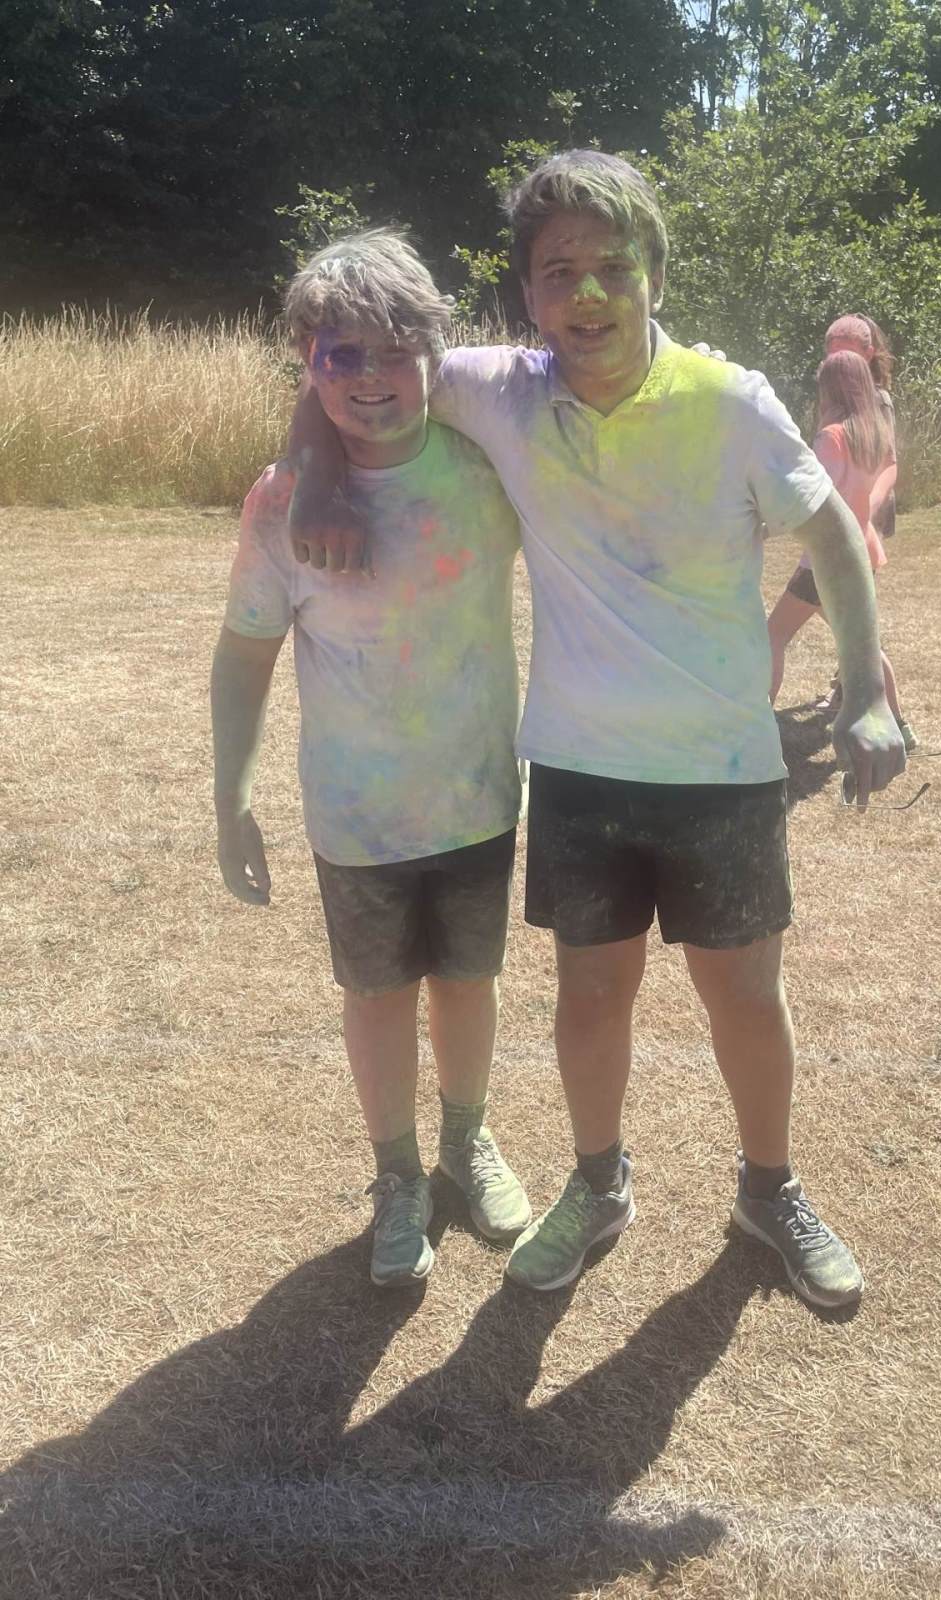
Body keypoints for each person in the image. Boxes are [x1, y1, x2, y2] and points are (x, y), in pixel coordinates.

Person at [288, 151, 907, 1309]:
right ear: (527, 293)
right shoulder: (504, 390)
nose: (586, 293)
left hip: (723, 767)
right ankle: (598, 1182)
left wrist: (866, 687)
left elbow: (831, 537)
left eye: (613, 267)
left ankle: (768, 1190)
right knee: (589, 1001)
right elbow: (356, 354)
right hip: (579, 772)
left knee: (745, 999)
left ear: (655, 277)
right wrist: (311, 466)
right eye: (558, 269)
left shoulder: (731, 402)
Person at [210, 230, 532, 1289]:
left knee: (470, 983)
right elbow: (245, 652)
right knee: (380, 995)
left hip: (479, 796)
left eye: (394, 351)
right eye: (338, 356)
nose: (369, 378)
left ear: (434, 350)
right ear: (307, 364)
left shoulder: (486, 466)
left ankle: (466, 1141)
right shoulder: (279, 504)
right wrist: (231, 793)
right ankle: (397, 1175)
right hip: (356, 816)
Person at [766, 351, 917, 752]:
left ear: (828, 389)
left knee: (773, 635)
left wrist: (768, 520)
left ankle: (756, 723)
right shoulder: (872, 434)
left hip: (828, 557)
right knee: (862, 645)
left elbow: (814, 497)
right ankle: (899, 726)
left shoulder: (831, 437)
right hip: (862, 550)